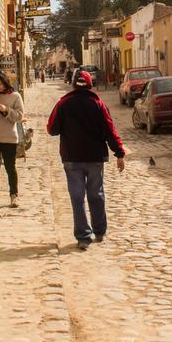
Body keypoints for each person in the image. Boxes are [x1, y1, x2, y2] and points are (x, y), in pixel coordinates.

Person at [46, 70, 126, 250]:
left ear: (72, 84)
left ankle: (83, 237)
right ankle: (99, 230)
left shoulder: (63, 104)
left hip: (71, 158)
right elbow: (110, 131)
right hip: (94, 157)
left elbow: (52, 129)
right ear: (91, 85)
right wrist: (119, 152)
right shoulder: (98, 104)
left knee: (77, 197)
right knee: (96, 194)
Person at [0, 70, 25, 208]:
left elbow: (19, 117)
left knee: (10, 168)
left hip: (9, 139)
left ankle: (14, 196)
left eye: (0, 84)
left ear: (5, 82)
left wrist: (6, 109)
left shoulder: (15, 96)